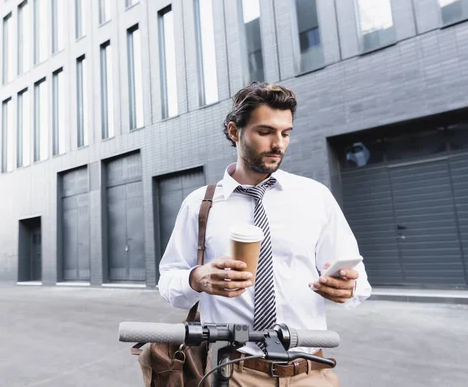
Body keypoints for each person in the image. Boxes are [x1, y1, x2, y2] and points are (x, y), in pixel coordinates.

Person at [158, 82, 372, 386]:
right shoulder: (199, 204)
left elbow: (359, 279)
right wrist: (197, 278)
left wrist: (348, 287)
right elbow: (168, 281)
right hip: (235, 373)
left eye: (286, 133)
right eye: (265, 132)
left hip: (311, 372)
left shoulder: (315, 196)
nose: (278, 144)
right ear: (235, 132)